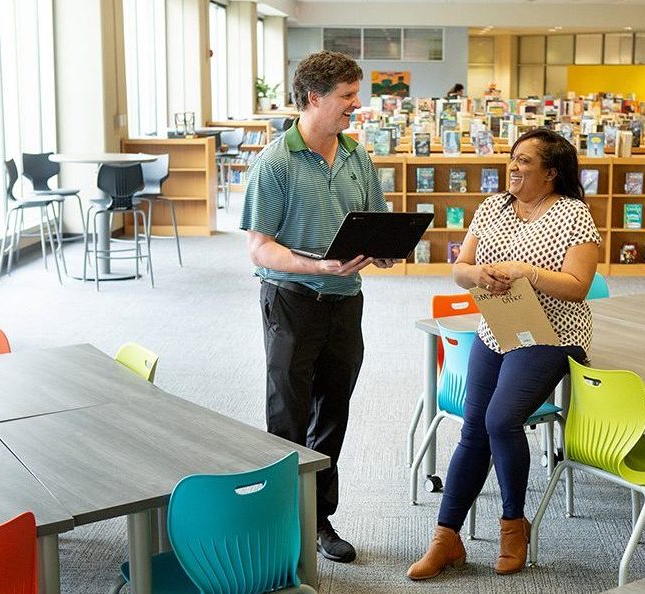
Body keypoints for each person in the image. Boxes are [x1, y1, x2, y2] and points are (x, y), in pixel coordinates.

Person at [407, 128, 601, 580]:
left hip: (554, 332)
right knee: (474, 427)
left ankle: (514, 526)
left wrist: (527, 272)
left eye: (526, 161)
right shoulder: (493, 207)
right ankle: (446, 537)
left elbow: (578, 288)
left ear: (551, 172)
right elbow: (459, 270)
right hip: (499, 326)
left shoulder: (575, 215)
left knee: (500, 420)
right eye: (512, 158)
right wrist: (478, 275)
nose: (513, 167)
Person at [240, 50, 394, 564]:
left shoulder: (356, 156)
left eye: (356, 94)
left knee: (333, 411)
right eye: (347, 96)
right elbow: (260, 247)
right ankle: (280, 523)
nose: (358, 105)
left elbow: (374, 221)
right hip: (291, 302)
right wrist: (316, 265)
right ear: (313, 98)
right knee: (288, 413)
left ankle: (320, 516)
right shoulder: (275, 162)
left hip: (345, 303)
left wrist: (384, 249)